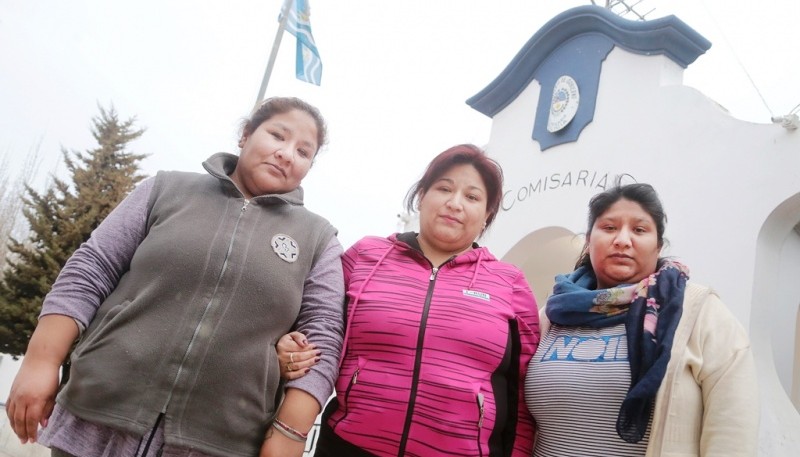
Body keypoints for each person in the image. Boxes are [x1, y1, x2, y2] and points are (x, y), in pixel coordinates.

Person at [5, 96, 345, 457]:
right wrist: (41, 361)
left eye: (303, 152)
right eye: (278, 135)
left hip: (219, 440)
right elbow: (92, 268)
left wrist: (289, 433)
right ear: (245, 135)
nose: (287, 153)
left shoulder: (318, 238)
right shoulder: (165, 190)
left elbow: (324, 332)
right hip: (99, 413)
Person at [281, 144, 541, 456]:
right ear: (421, 196)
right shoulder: (365, 256)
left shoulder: (509, 282)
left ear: (486, 215)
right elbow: (318, 324)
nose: (454, 203)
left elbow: (522, 397)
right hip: (348, 447)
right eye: (444, 188)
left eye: (472, 197)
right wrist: (288, 345)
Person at [524, 182, 759, 456]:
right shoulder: (552, 314)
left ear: (658, 246)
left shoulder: (697, 311)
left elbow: (733, 431)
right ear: (589, 241)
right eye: (609, 227)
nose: (622, 240)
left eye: (639, 229)